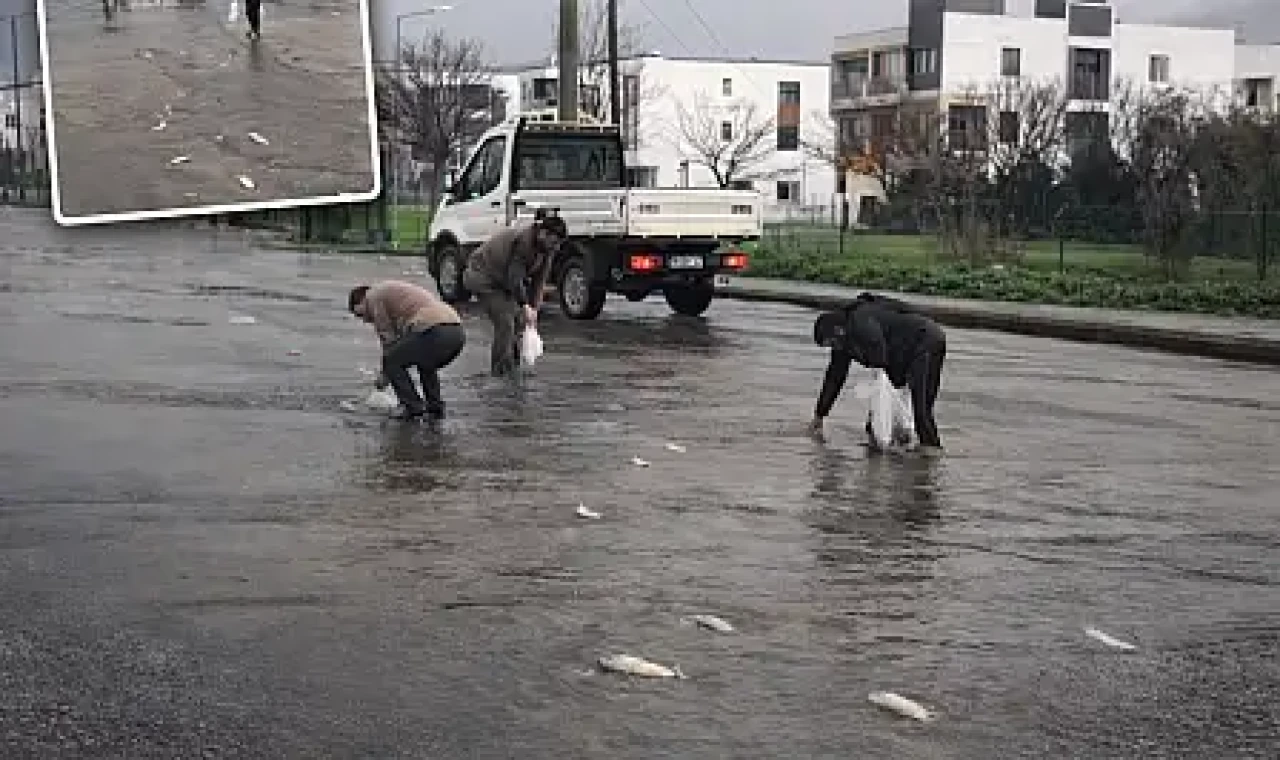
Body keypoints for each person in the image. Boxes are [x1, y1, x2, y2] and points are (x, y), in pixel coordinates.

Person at [808, 294, 947, 455]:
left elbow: (881, 363)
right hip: (903, 353)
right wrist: (819, 415)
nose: (834, 348)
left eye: (831, 343)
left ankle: (932, 456)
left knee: (922, 412)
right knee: (880, 425)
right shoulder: (843, 341)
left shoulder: (861, 323)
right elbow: (834, 377)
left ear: (838, 331)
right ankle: (912, 454)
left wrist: (883, 411)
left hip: (926, 342)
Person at [462, 209, 567, 377]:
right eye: (554, 242)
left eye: (558, 244)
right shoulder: (524, 242)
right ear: (543, 233)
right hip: (483, 278)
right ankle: (499, 372)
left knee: (521, 321)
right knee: (505, 322)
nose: (556, 247)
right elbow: (514, 279)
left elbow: (539, 282)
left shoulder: (548, 249)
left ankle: (514, 367)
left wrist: (534, 310)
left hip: (502, 281)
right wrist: (525, 305)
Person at [349, 280, 466, 421]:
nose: (365, 321)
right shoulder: (394, 296)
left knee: (391, 360)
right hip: (456, 332)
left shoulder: (373, 297)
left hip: (434, 329)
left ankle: (412, 406)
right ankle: (435, 407)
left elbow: (389, 341)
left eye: (360, 315)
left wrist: (384, 377)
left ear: (361, 300)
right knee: (425, 363)